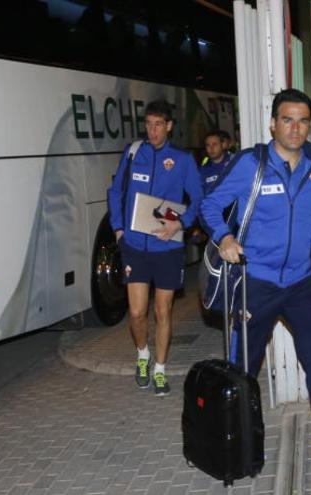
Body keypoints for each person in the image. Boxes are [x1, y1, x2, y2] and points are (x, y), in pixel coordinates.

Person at [199, 89, 311, 471]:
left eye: (303, 120)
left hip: (301, 281)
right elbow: (209, 204)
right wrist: (225, 237)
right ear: (273, 123)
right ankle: (234, 441)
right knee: (242, 365)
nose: (295, 128)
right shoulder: (250, 165)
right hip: (255, 281)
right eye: (287, 119)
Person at [107, 100, 202, 397]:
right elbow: (116, 191)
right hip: (134, 245)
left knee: (163, 311)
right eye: (148, 124)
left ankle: (160, 370)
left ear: (169, 126)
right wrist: (119, 229)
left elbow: (199, 198)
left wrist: (181, 223)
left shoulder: (182, 160)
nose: (153, 130)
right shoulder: (134, 153)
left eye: (158, 124)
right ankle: (143, 356)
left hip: (167, 248)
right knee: (136, 313)